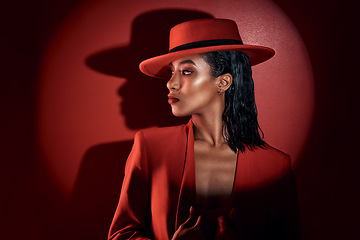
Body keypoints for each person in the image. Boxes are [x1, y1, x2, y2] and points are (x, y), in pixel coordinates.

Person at [108, 18, 301, 240]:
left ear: (223, 82)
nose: (171, 83)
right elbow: (120, 235)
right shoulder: (150, 148)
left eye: (187, 71)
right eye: (172, 71)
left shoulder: (275, 166)